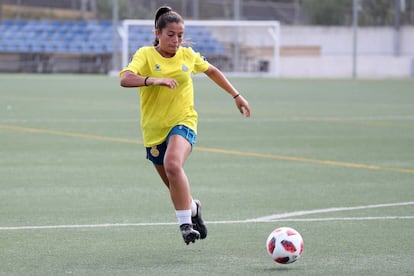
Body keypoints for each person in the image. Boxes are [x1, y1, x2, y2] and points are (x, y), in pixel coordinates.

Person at [119, 6, 250, 245]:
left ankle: (185, 226)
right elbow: (125, 78)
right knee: (173, 182)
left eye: (180, 35)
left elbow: (212, 70)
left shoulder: (187, 55)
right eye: (171, 35)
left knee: (172, 163)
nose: (176, 40)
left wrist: (236, 95)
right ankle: (193, 208)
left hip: (183, 121)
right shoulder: (146, 55)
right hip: (153, 129)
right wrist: (153, 80)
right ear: (157, 33)